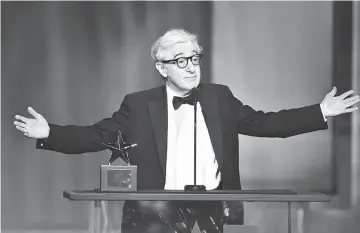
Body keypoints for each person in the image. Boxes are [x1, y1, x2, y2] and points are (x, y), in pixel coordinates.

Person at [14, 28, 359, 233]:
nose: (191, 67)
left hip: (209, 212)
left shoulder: (219, 97)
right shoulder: (138, 104)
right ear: (161, 68)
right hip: (153, 214)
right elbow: (95, 136)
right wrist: (50, 133)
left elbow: (267, 124)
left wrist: (320, 111)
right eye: (180, 60)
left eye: (195, 58)